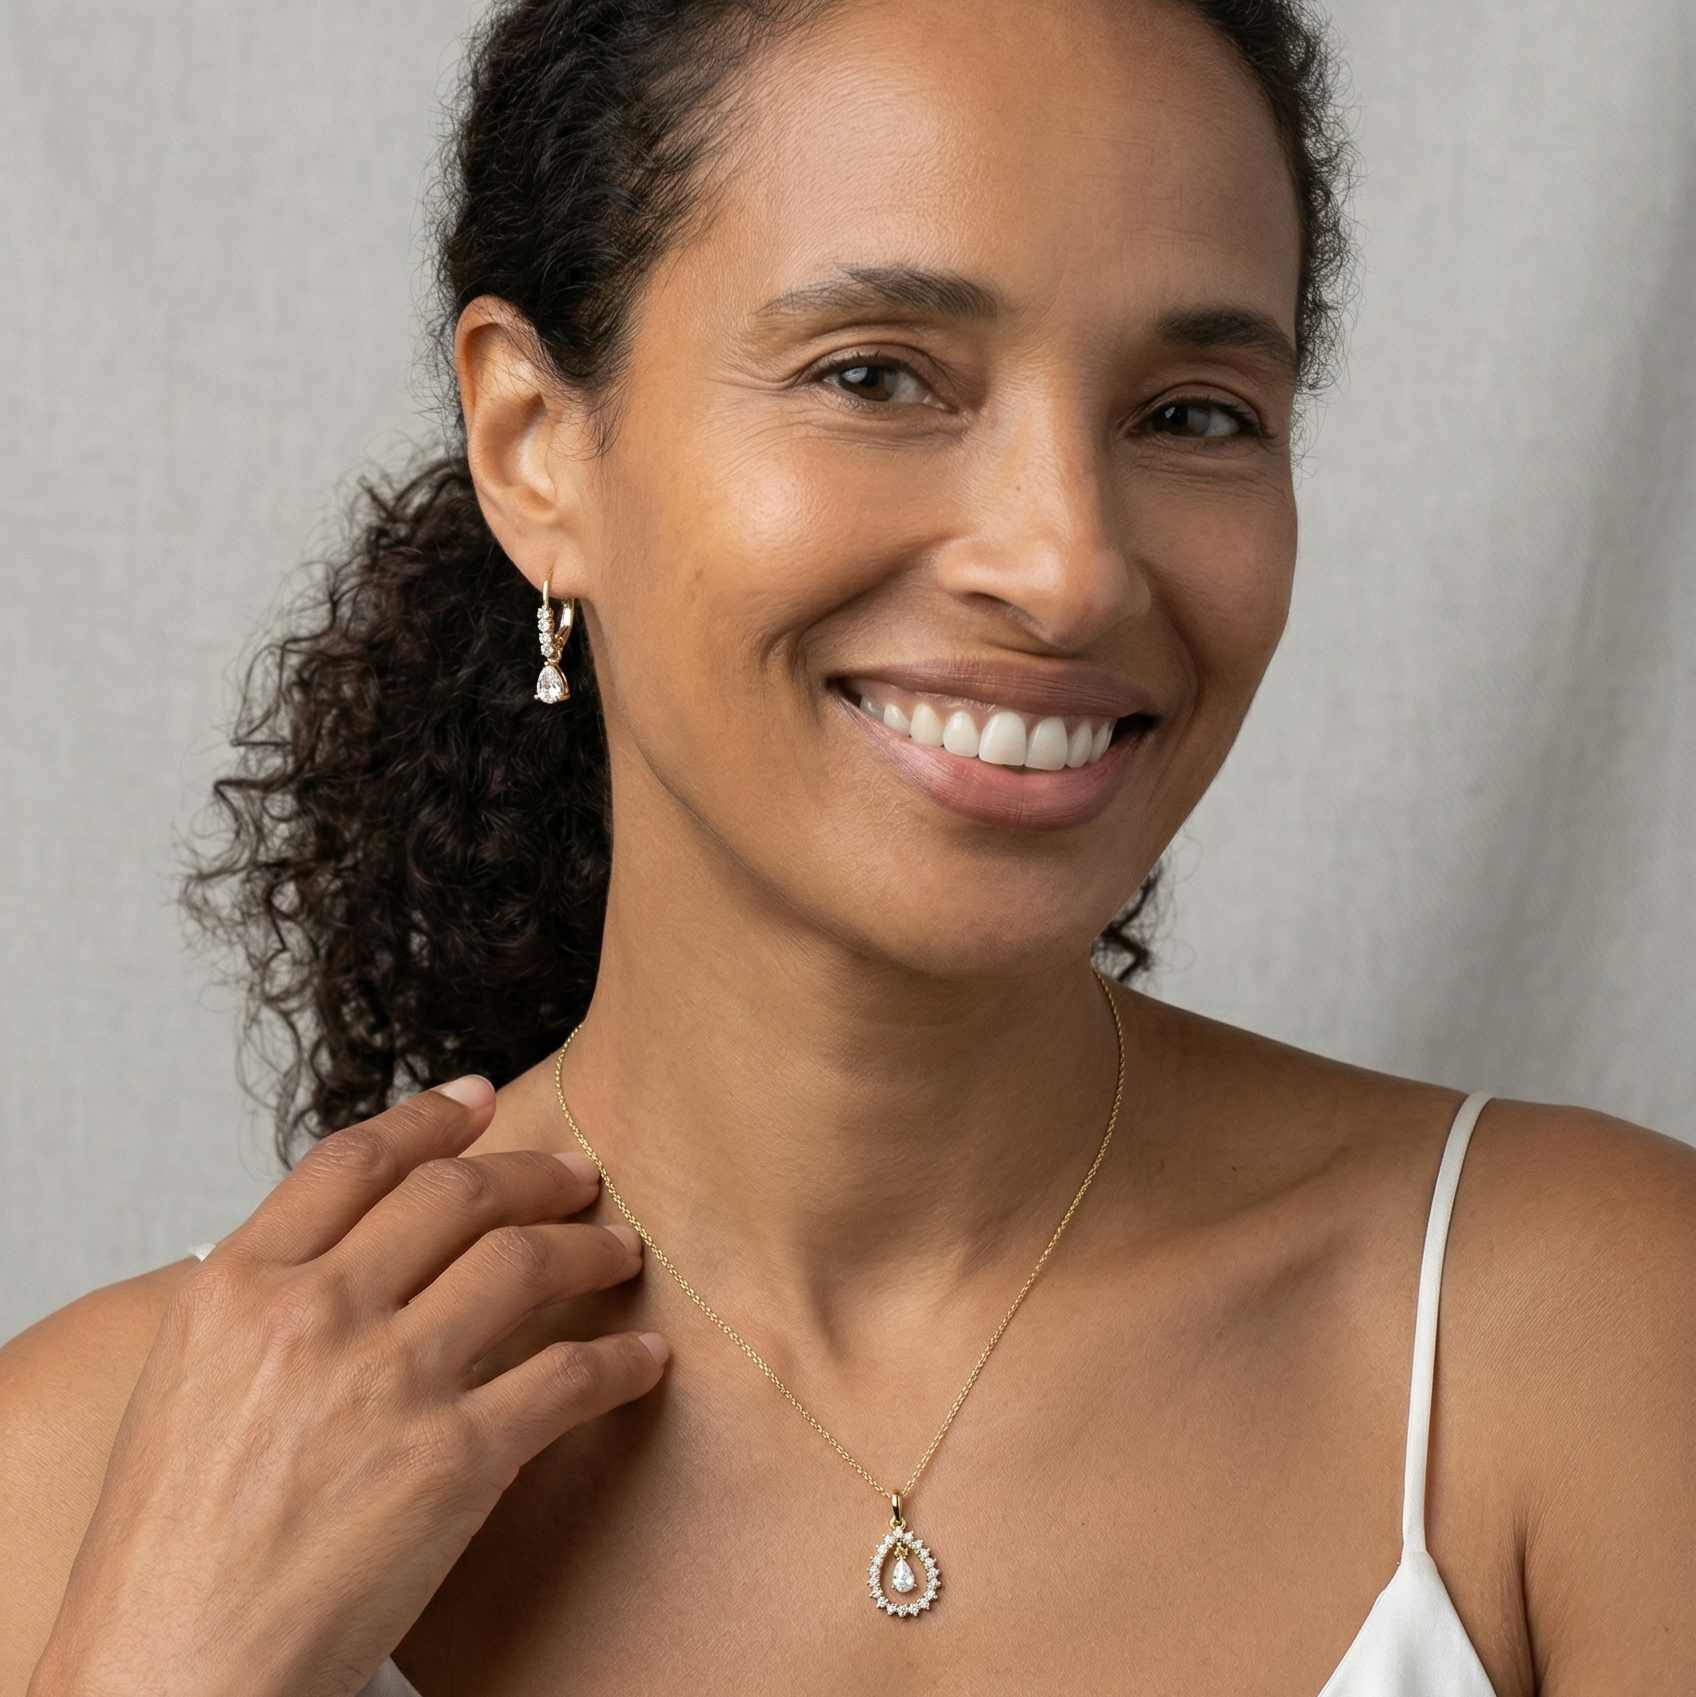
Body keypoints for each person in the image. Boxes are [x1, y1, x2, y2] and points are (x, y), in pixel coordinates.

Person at [2, 0, 1692, 1691]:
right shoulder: (94, 1470)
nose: (1069, 567)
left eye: (1192, 413)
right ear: (535, 446)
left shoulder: (1591, 1343)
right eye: (876, 376)